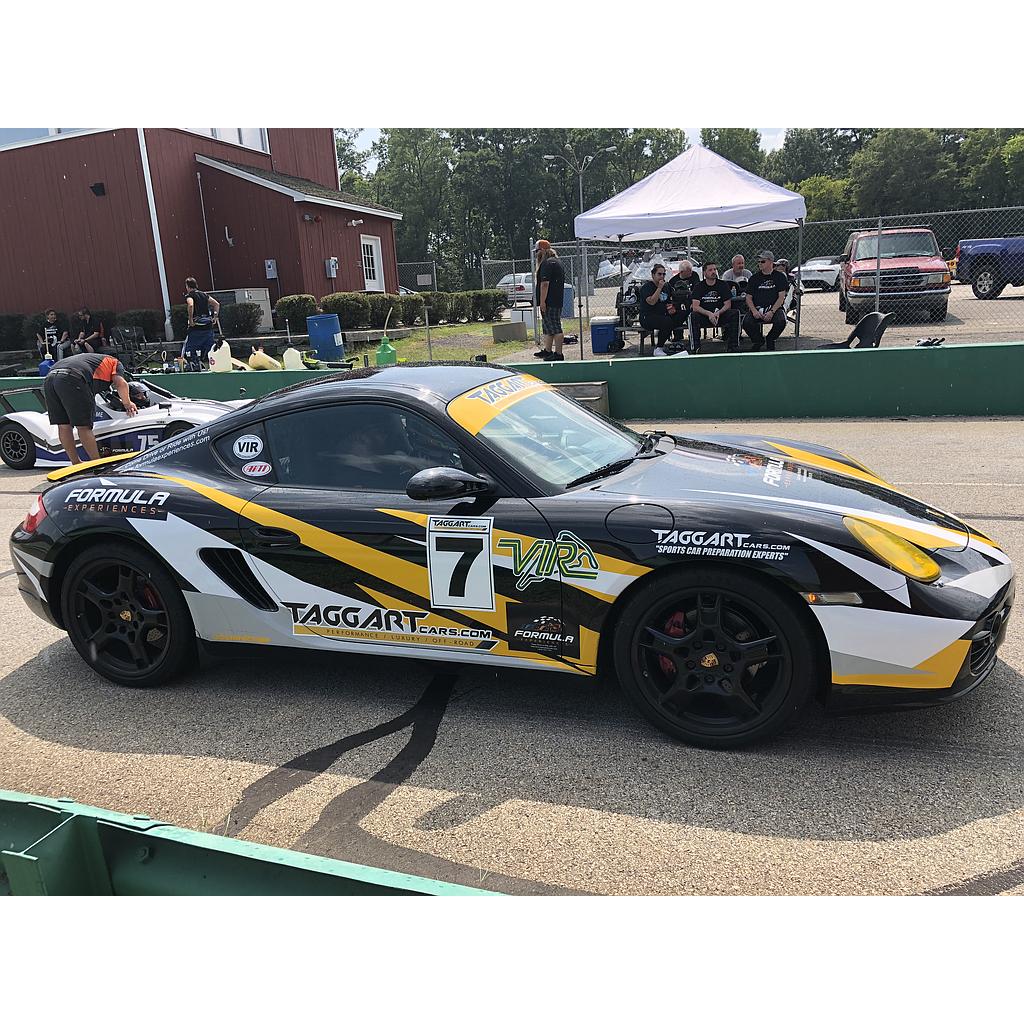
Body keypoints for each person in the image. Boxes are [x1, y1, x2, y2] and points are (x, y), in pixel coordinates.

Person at [42, 351, 137, 464]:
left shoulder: (92, 360)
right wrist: (127, 403)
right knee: (83, 426)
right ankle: (97, 464)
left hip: (50, 378)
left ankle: (75, 463)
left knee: (64, 425)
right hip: (73, 378)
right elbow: (120, 383)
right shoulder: (115, 362)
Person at [743, 250, 790, 352]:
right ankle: (758, 340)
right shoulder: (754, 278)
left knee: (781, 321)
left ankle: (771, 339)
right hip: (758, 308)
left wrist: (772, 311)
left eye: (762, 261)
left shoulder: (780, 277)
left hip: (774, 308)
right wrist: (754, 310)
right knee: (746, 322)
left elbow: (781, 297)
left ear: (770, 262)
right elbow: (748, 297)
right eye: (759, 262)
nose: (760, 264)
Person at [690, 262, 740, 353]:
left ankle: (733, 346)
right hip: (705, 316)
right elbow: (695, 306)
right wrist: (709, 314)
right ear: (704, 273)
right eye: (710, 270)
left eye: (715, 269)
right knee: (693, 316)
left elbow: (728, 304)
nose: (713, 272)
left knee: (735, 313)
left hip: (720, 315)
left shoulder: (723, 285)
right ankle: (696, 348)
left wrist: (718, 313)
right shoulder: (699, 286)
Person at [533, 240, 565, 362]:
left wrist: (542, 301)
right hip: (554, 300)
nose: (537, 255)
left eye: (537, 252)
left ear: (542, 251)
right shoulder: (556, 262)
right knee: (548, 327)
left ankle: (558, 353)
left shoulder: (547, 263)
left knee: (555, 327)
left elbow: (544, 284)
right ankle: (547, 350)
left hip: (550, 301)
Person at [182, 277, 220, 370]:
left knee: (189, 350)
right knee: (211, 350)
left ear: (187, 286)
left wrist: (190, 320)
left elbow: (191, 305)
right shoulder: (204, 295)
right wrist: (215, 317)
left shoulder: (190, 295)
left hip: (196, 329)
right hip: (208, 328)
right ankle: (215, 366)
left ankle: (195, 366)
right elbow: (216, 304)